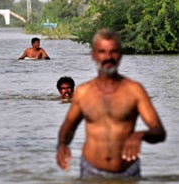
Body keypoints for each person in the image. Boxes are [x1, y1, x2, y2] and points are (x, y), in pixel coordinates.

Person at [56, 29, 166, 179]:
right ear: (93, 55)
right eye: (102, 52)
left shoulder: (134, 90)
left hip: (128, 171)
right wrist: (62, 144)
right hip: (91, 170)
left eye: (113, 52)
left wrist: (140, 135)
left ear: (120, 55)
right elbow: (68, 127)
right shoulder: (84, 92)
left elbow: (159, 131)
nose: (108, 57)